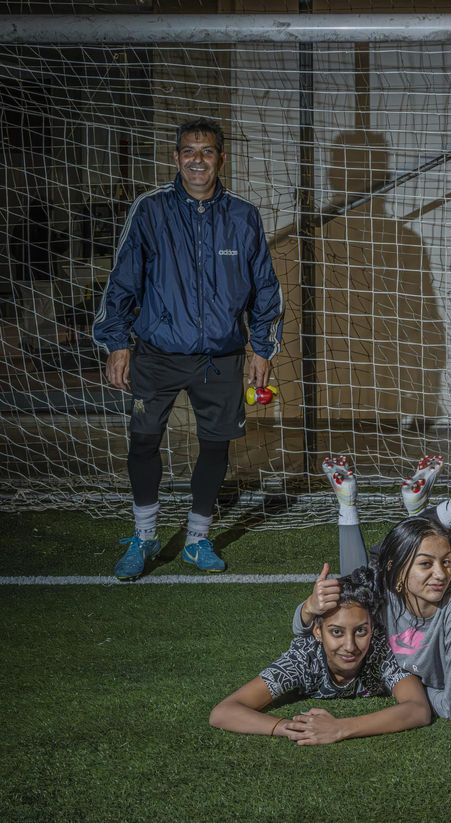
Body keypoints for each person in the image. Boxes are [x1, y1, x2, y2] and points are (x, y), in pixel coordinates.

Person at [92, 118, 283, 580]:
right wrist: (118, 343)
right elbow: (123, 281)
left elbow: (264, 288)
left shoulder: (243, 216)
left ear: (221, 158)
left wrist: (262, 349)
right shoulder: (151, 211)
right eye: (189, 151)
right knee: (143, 441)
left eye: (208, 151)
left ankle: (198, 538)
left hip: (221, 357)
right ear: (176, 158)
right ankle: (144, 534)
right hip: (157, 353)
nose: (198, 160)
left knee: (215, 447)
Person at [293, 455, 451, 720]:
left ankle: (447, 506)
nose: (441, 574)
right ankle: (358, 505)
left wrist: (411, 690)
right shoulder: (387, 590)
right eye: (426, 564)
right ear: (399, 573)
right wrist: (309, 607)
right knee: (367, 576)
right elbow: (306, 628)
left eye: (447, 562)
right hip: (394, 569)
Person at [208, 568, 431, 744]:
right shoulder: (303, 659)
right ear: (317, 632)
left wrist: (340, 728)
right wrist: (288, 728)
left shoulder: (381, 649)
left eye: (361, 631)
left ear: (373, 628)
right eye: (336, 632)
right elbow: (224, 712)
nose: (350, 646)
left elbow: (418, 709)